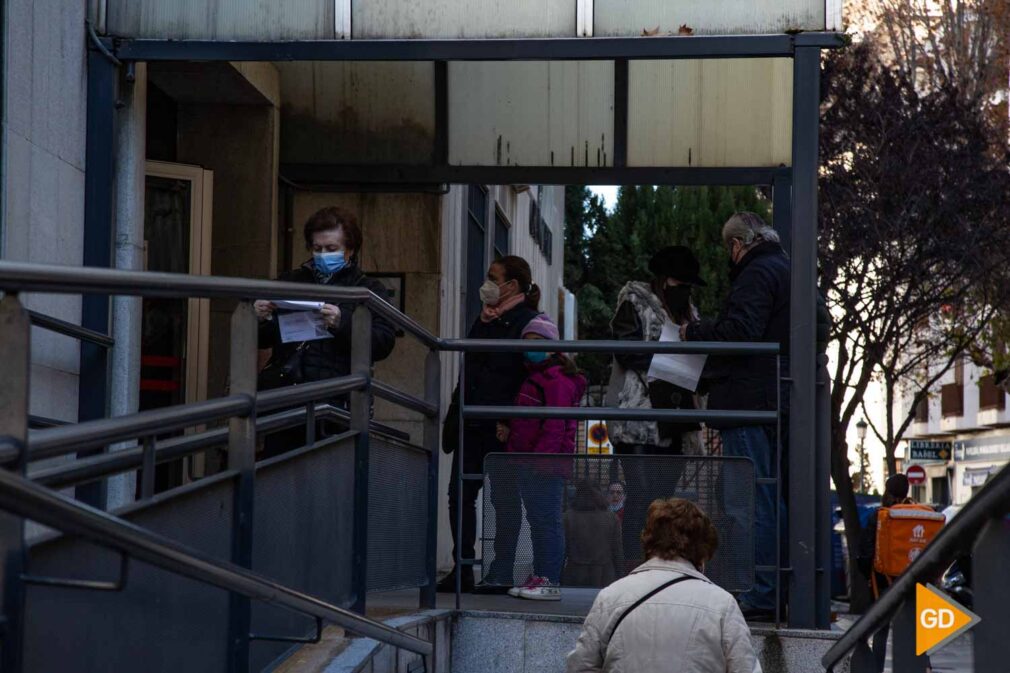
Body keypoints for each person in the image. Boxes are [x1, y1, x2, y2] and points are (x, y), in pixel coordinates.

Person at [682, 212, 789, 621]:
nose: (730, 255)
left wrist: (696, 332)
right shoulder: (783, 268)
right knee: (766, 497)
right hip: (770, 399)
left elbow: (740, 332)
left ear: (738, 244)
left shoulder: (756, 272)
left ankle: (760, 594)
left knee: (748, 502)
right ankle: (769, 589)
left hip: (748, 403)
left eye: (729, 248)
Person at [254, 206, 396, 458]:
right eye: (317, 248)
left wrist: (343, 321)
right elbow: (265, 338)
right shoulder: (291, 281)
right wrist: (261, 318)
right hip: (288, 398)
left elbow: (383, 342)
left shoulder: (367, 289)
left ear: (350, 250)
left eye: (331, 249)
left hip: (337, 403)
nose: (322, 255)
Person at [438, 256, 541, 593]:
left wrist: (511, 419)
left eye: (492, 277)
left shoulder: (529, 323)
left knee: (505, 501)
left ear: (511, 285)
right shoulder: (485, 318)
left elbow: (530, 378)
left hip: (501, 428)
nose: (487, 283)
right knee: (459, 496)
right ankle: (463, 569)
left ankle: (500, 570)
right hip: (470, 422)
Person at [566, 498, 760, 673]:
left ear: (649, 542)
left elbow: (580, 666)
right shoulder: (722, 605)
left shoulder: (611, 597)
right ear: (703, 552)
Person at [606, 245, 706, 573]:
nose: (687, 291)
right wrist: (670, 365)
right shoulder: (634, 303)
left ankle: (656, 565)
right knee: (641, 494)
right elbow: (626, 351)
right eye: (682, 284)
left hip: (673, 420)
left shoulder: (690, 314)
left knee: (663, 496)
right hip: (637, 415)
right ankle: (633, 568)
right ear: (664, 281)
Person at [495, 314, 587, 600]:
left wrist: (539, 462)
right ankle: (543, 575)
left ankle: (549, 579)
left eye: (536, 341)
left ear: (552, 346)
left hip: (543, 465)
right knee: (539, 521)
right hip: (532, 462)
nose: (529, 347)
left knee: (546, 522)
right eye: (526, 342)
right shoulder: (539, 377)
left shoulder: (555, 380)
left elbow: (555, 426)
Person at [562, 482, 624, 589]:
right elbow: (617, 551)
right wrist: (621, 577)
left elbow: (561, 551)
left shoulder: (568, 517)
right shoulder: (611, 518)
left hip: (575, 575)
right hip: (605, 577)